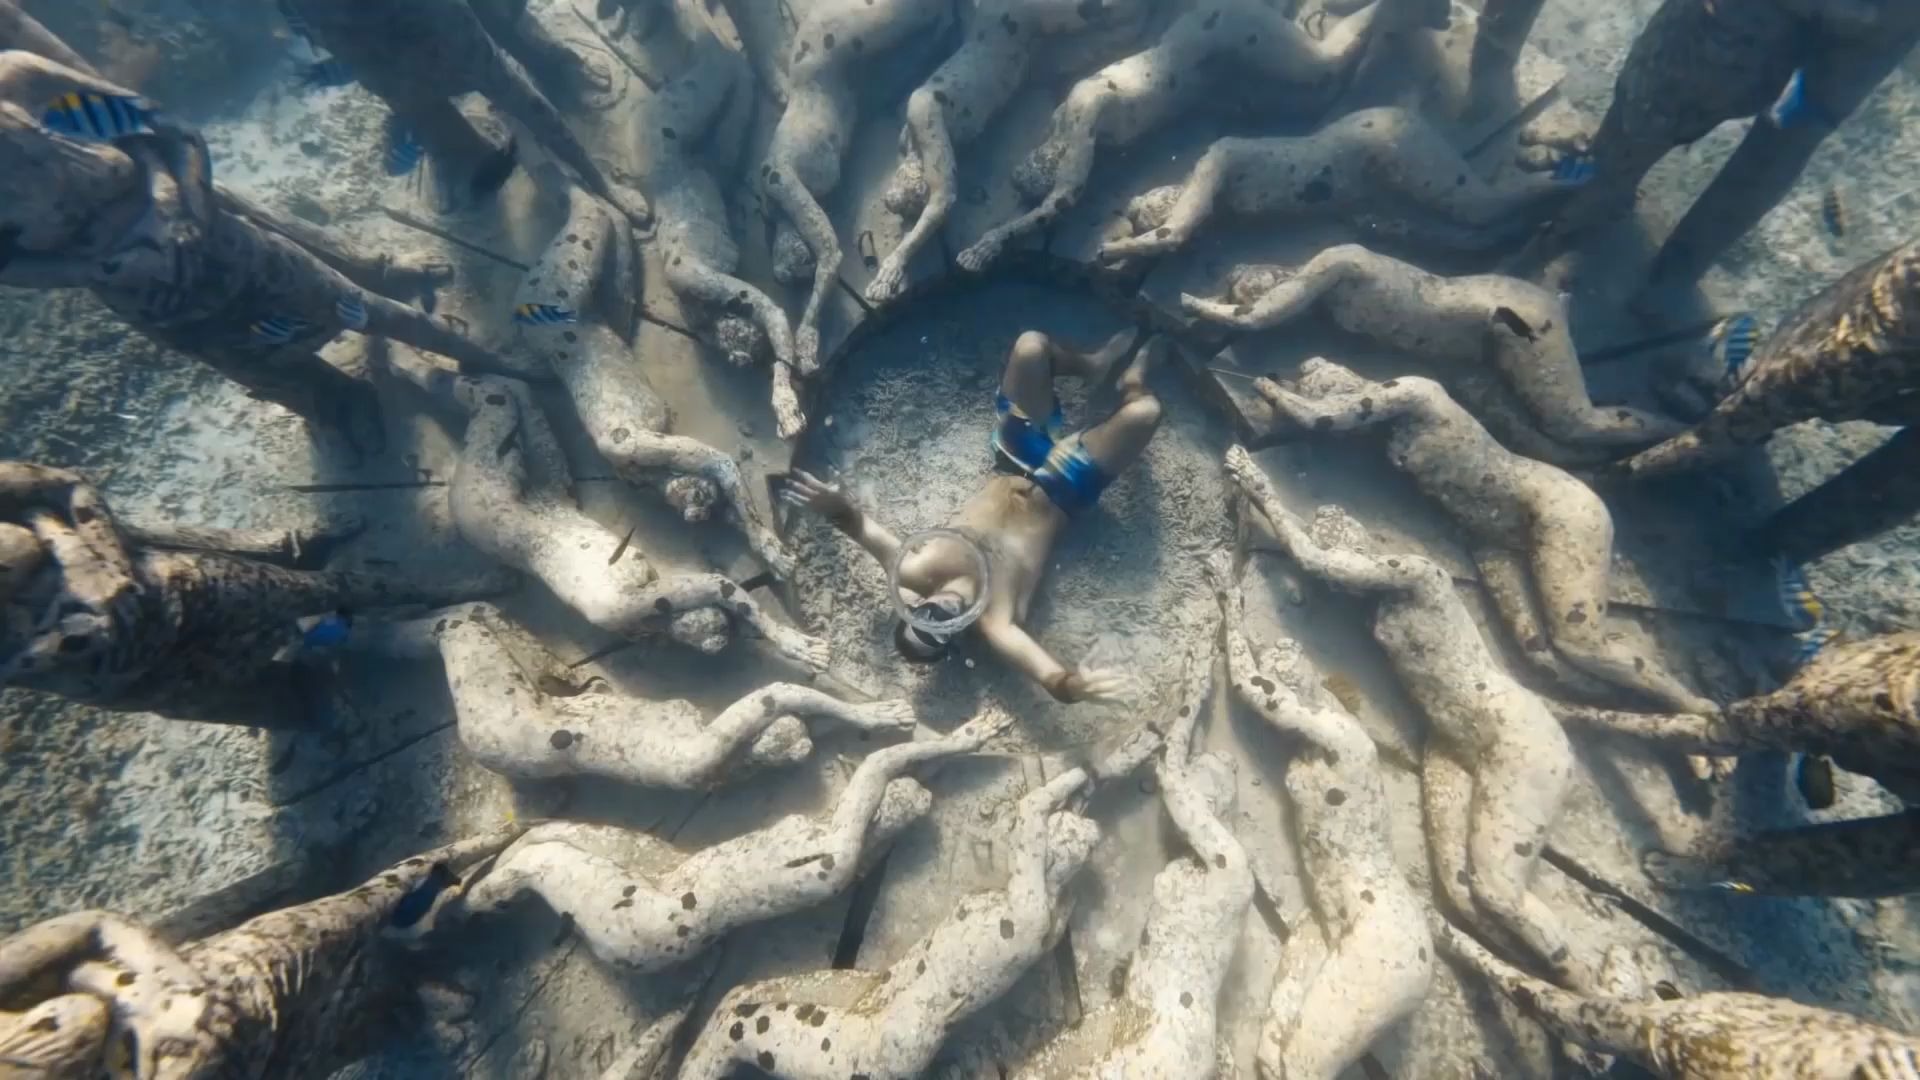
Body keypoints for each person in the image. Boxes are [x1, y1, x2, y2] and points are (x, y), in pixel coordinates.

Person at [782, 329, 1160, 703]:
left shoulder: (915, 569)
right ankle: (1131, 382)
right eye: (940, 635)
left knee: (1030, 347)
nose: (940, 620)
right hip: (1066, 488)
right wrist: (1078, 686)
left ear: (915, 607)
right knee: (1145, 413)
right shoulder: (996, 621)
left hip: (1015, 455)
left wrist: (831, 503)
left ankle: (1091, 365)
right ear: (955, 637)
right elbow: (1051, 678)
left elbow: (858, 525)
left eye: (926, 622)